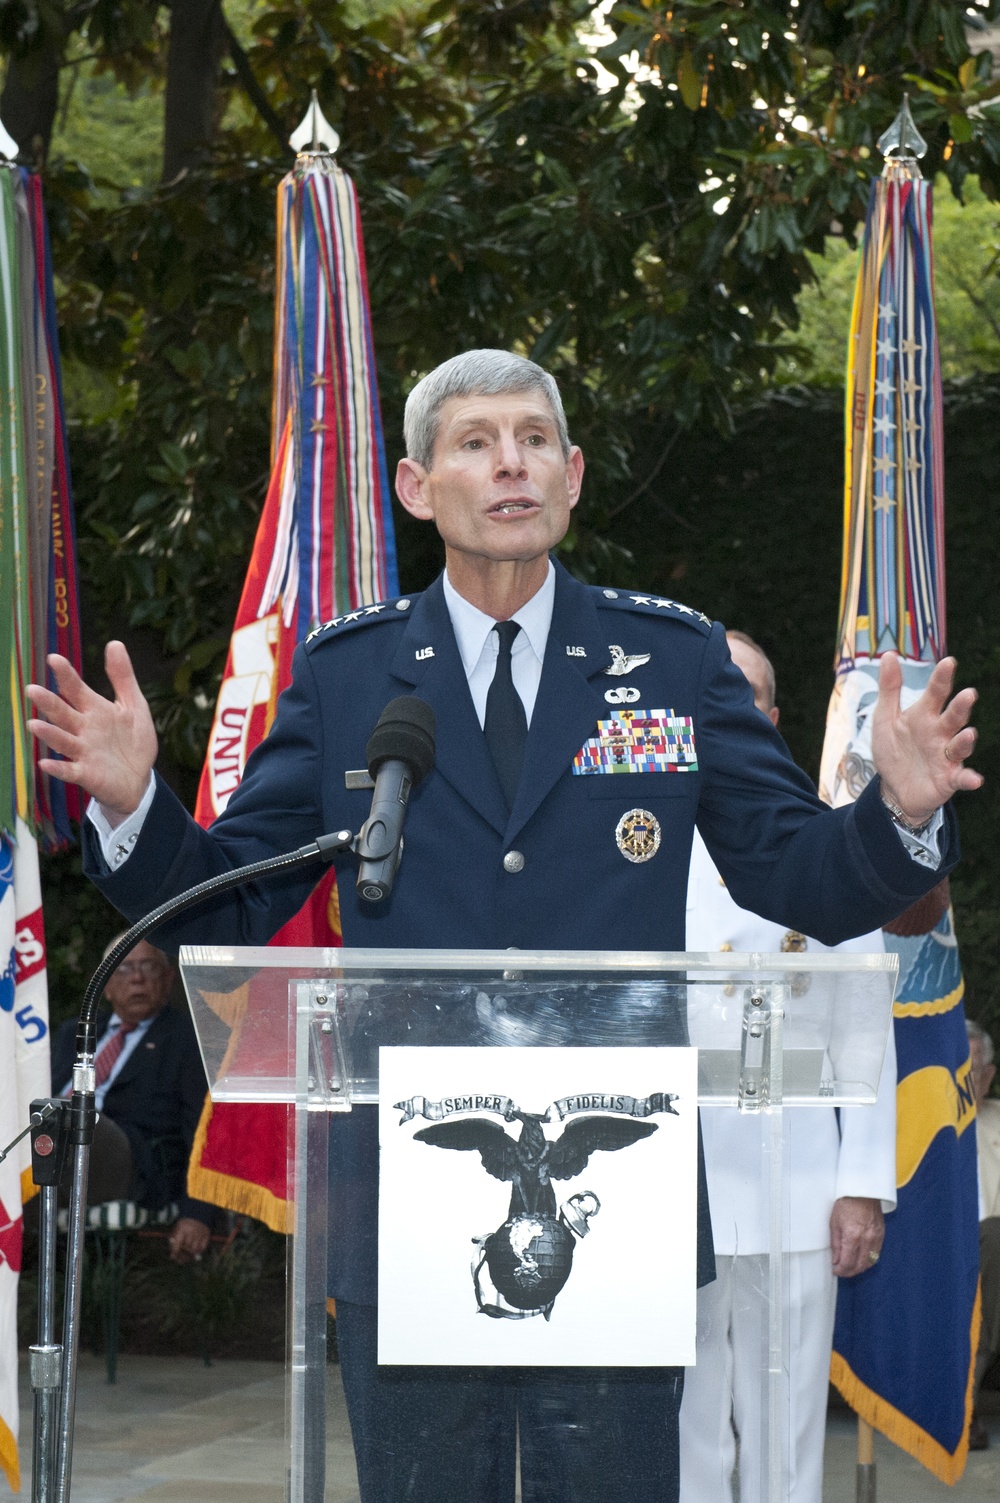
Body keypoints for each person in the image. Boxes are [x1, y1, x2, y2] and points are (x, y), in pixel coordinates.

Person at [26, 349, 979, 1503]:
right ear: (418, 486)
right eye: (475, 441)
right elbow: (235, 891)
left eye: (534, 439)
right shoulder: (353, 675)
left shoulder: (669, 661)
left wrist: (896, 813)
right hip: (411, 1193)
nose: (510, 462)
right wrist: (138, 806)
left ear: (572, 477)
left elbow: (800, 877)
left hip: (612, 1192)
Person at [681, 631, 896, 1503]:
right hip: (677, 1183)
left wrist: (861, 1184)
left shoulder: (825, 841)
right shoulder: (639, 846)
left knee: (788, 1426)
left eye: (748, 698)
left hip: (798, 1188)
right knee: (687, 1429)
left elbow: (866, 1033)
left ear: (767, 720)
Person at [50, 937, 215, 1263]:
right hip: (54, 1152)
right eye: (123, 968)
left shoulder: (188, 1039)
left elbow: (203, 1128)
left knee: (80, 1119)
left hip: (132, 1163)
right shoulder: (75, 1033)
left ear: (168, 978)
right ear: (106, 984)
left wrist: (198, 1212)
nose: (136, 978)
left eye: (147, 966)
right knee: (36, 1116)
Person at [968, 1018, 1000, 1448]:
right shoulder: (910, 1124)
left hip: (990, 1248)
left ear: (988, 1077)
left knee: (994, 1237)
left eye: (970, 1070)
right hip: (929, 1250)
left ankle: (964, 1402)